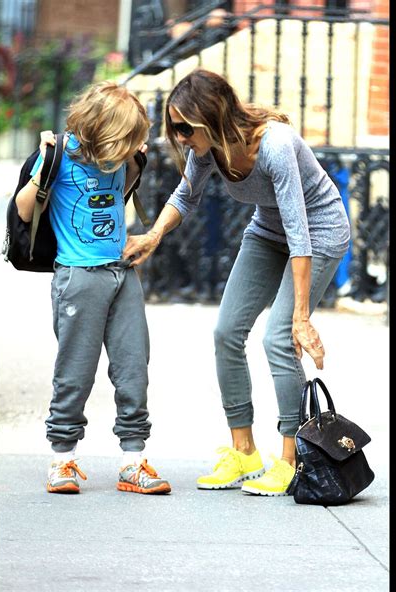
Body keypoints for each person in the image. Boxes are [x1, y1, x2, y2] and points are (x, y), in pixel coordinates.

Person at [123, 69, 351, 497]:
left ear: (212, 118)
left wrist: (301, 316)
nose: (180, 136)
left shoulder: (276, 146)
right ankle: (244, 451)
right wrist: (153, 235)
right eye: (175, 128)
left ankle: (292, 458)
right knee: (227, 332)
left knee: (280, 339)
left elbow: (300, 231)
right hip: (268, 231)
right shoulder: (207, 149)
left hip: (317, 233)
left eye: (184, 127)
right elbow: (184, 196)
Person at [15, 81, 171, 495]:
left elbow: (121, 198)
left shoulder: (122, 158)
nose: (135, 146)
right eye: (129, 138)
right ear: (105, 133)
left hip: (123, 274)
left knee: (134, 367)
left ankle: (133, 462)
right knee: (75, 372)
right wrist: (43, 166)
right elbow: (23, 209)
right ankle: (62, 458)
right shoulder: (59, 156)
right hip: (79, 279)